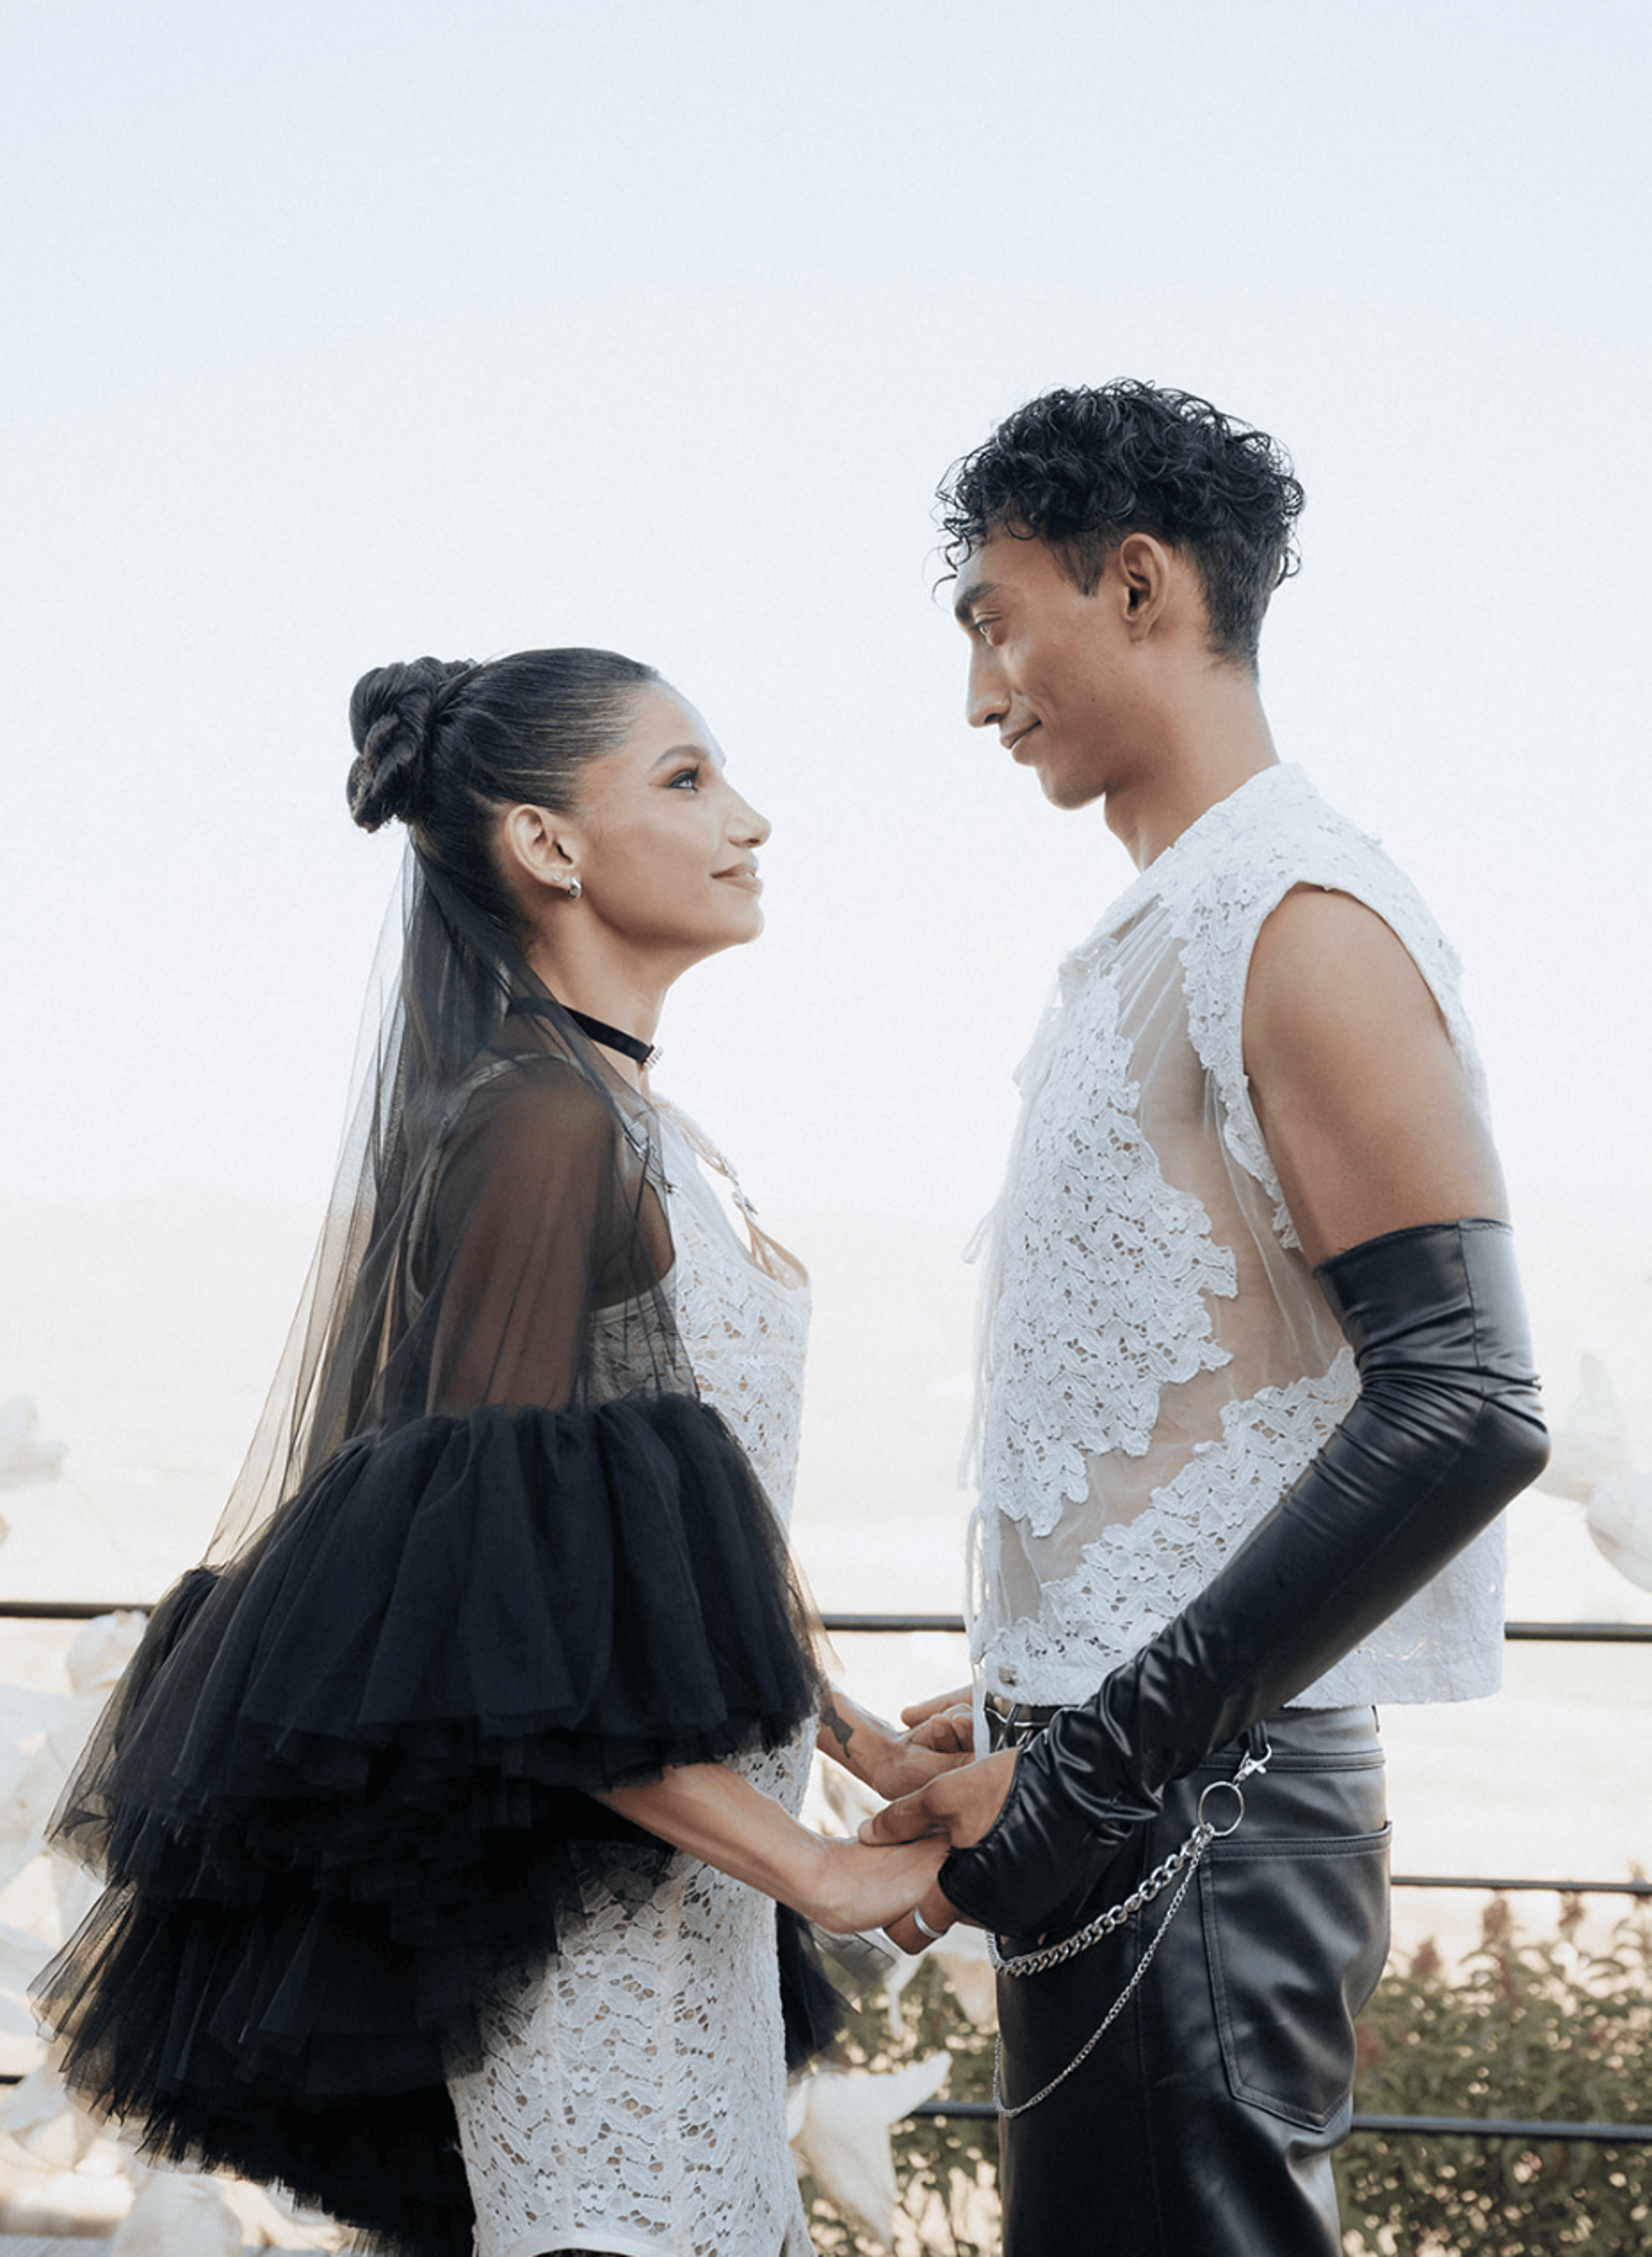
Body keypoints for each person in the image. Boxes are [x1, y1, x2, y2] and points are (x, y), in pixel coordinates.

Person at [35, 649, 952, 2257]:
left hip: (695, 1933)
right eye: (684, 779)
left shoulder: (640, 1115)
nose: (750, 817)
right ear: (547, 844)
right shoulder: (540, 1122)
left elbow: (670, 1540)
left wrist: (861, 1743)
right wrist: (819, 1867)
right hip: (593, 1941)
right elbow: (491, 1626)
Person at [865, 385, 1550, 2254]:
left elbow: (1471, 1404)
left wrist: (1092, 1757)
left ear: (1144, 583)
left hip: (1197, 1826)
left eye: (1001, 621)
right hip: (1135, 1795)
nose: (983, 691)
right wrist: (1036, 1679)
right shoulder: (1171, 924)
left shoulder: (1299, 913)